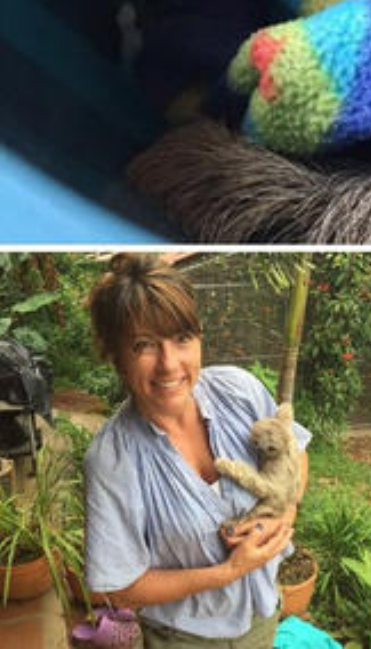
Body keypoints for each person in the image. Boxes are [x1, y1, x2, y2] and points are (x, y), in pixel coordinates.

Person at [83, 253, 311, 648]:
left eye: (182, 339)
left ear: (200, 339)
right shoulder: (111, 460)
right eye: (144, 345)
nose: (169, 364)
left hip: (263, 614)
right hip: (185, 638)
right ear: (116, 357)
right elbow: (120, 588)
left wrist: (282, 514)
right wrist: (227, 572)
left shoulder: (240, 391)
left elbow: (296, 458)